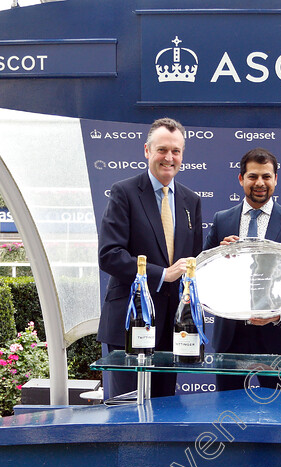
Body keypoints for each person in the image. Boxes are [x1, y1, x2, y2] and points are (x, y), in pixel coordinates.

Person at [97, 117, 203, 398]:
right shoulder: (124, 192)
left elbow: (192, 260)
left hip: (174, 331)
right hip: (130, 326)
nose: (169, 158)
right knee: (127, 412)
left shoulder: (191, 201)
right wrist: (162, 274)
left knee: (164, 411)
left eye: (176, 151)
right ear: (147, 151)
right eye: (162, 150)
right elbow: (110, 255)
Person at [202, 147, 281, 391]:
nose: (259, 183)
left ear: (275, 179)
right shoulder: (222, 220)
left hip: (276, 337)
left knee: (278, 414)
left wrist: (280, 314)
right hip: (230, 336)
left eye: (266, 176)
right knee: (227, 411)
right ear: (241, 179)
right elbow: (202, 271)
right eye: (252, 176)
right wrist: (220, 256)